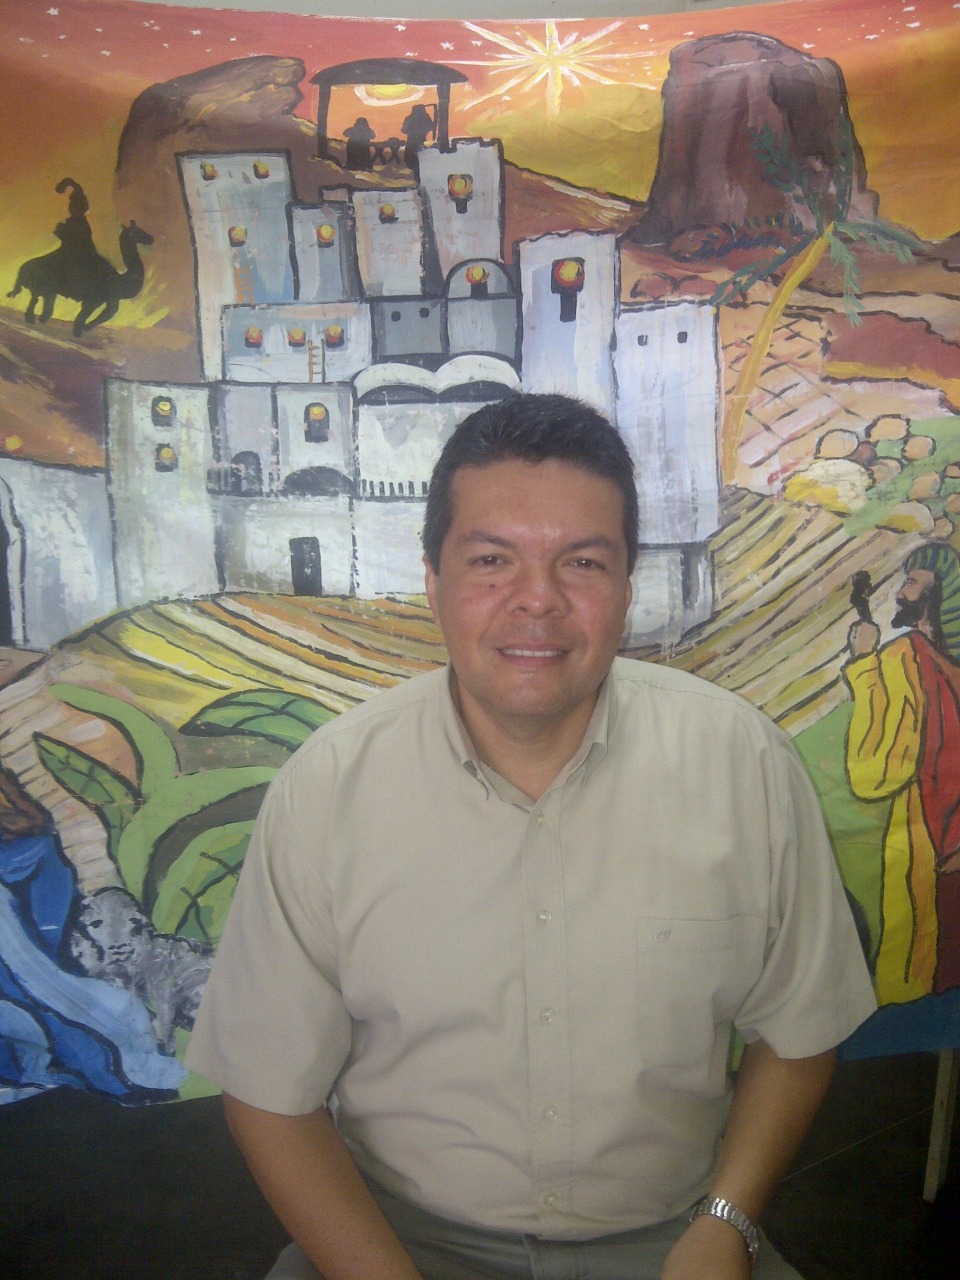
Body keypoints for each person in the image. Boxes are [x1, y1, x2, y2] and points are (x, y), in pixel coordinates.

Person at [187, 393, 876, 1280]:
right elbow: (268, 1093)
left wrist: (727, 1222)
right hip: (391, 1238)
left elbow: (800, 1033)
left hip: (677, 1235)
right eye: (491, 561)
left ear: (627, 587)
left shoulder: (745, 765)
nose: (538, 602)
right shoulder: (327, 790)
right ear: (432, 580)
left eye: (582, 563)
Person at [845, 542, 960, 1003]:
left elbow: (875, 771)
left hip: (928, 847)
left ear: (935, 598)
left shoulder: (905, 657)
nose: (900, 593)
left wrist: (862, 663)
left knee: (920, 976)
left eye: (911, 583)